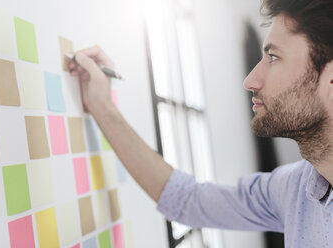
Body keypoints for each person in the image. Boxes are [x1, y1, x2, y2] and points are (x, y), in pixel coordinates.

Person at [68, 0, 333, 246]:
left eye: (274, 57)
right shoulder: (296, 190)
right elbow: (187, 200)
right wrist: (102, 106)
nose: (250, 80)